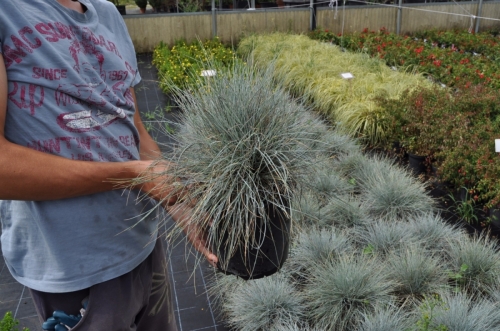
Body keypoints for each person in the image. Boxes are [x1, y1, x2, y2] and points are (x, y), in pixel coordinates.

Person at [0, 0, 217, 330]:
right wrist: (132, 176)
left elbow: (137, 133)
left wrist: (179, 204)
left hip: (143, 248)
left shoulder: (108, 14)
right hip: (76, 275)